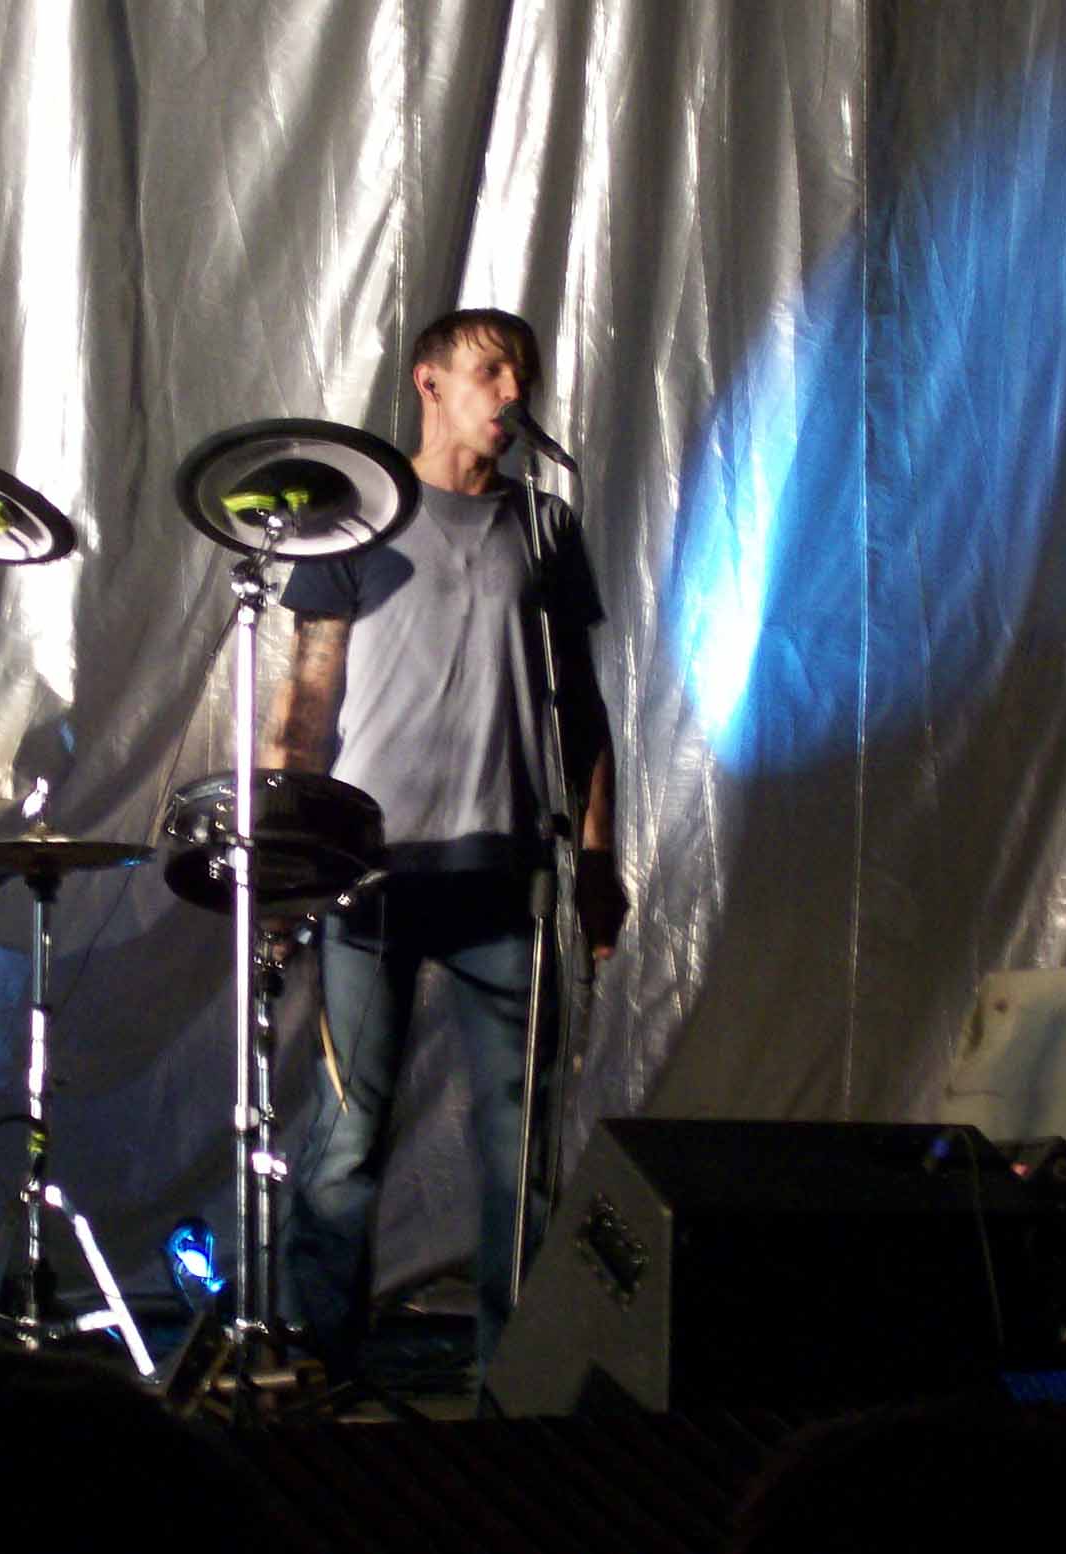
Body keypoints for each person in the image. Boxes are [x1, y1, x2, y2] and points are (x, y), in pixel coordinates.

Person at [262, 307, 623, 1378]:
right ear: (428, 382)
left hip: (504, 874)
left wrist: (598, 860)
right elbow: (307, 702)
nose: (511, 394)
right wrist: (288, 858)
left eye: (521, 376)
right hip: (371, 877)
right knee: (346, 1136)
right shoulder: (354, 522)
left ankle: (514, 1376)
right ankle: (322, 1366)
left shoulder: (543, 526)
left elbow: (581, 709)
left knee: (521, 1146)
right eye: (489, 371)